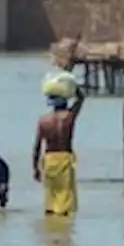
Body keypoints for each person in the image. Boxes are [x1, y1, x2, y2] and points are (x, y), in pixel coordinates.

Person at [33, 87, 86, 216]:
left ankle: (51, 231)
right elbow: (81, 99)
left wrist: (35, 168)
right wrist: (72, 85)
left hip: (49, 160)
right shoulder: (69, 116)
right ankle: (63, 232)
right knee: (65, 202)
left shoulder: (43, 120)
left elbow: (37, 146)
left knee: (50, 200)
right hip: (65, 158)